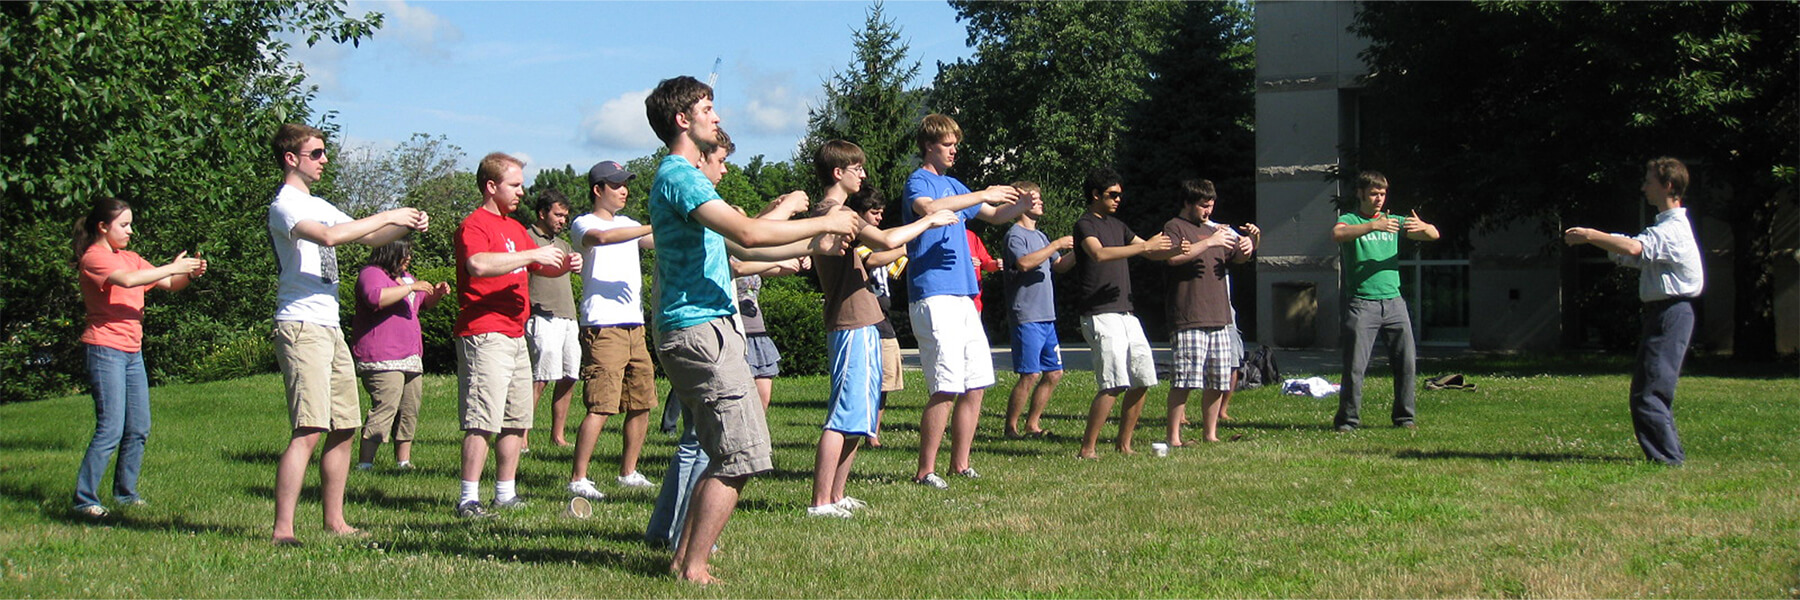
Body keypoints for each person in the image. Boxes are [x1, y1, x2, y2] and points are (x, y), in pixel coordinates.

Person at [643, 76, 858, 584]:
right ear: (683, 120)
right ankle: (693, 569)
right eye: (708, 109)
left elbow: (740, 251)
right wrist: (824, 224)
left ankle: (683, 560)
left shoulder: (681, 178)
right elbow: (748, 231)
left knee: (724, 452)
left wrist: (811, 246)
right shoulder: (680, 175)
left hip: (704, 329)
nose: (716, 117)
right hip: (700, 331)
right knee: (740, 456)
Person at [267, 122, 428, 545]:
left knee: (344, 426)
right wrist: (390, 214)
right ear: (291, 159)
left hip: (329, 326)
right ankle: (283, 530)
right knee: (309, 428)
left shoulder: (318, 203)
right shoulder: (286, 205)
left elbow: (372, 236)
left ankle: (334, 521)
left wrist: (408, 223)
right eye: (316, 153)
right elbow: (329, 236)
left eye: (324, 152)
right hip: (301, 325)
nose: (324, 160)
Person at [808, 139, 959, 517]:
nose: (863, 175)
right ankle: (820, 502)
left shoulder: (836, 212)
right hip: (851, 324)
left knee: (858, 416)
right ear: (838, 173)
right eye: (856, 168)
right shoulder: (834, 212)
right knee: (842, 415)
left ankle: (837, 495)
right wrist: (928, 221)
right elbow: (887, 240)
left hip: (863, 322)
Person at [452, 152, 583, 518]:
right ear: (491, 186)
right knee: (482, 419)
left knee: (516, 418)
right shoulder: (475, 225)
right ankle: (468, 498)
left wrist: (565, 265)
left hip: (514, 333)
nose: (521, 192)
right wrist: (530, 256)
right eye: (514, 185)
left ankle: (505, 493)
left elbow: (540, 266)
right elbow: (478, 264)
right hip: (484, 332)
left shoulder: (514, 229)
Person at [901, 113, 1028, 488]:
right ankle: (925, 471)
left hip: (964, 295)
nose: (954, 150)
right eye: (947, 144)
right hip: (933, 293)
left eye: (956, 144)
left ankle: (961, 464)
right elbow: (928, 208)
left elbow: (995, 215)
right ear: (929, 146)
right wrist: (983, 193)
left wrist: (1020, 204)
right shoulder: (919, 181)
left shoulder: (955, 185)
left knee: (976, 382)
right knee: (946, 383)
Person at [70, 197, 207, 518]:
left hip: (132, 351)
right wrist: (173, 266)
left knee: (138, 427)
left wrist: (190, 273)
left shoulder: (130, 257)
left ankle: (125, 494)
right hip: (105, 349)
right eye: (124, 225)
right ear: (103, 227)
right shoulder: (94, 257)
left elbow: (169, 283)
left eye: (130, 224)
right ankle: (84, 500)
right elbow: (128, 280)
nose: (130, 231)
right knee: (110, 428)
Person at [1563, 157, 1703, 466]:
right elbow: (1632, 253)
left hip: (1671, 313)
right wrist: (1605, 243)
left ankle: (1668, 460)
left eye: (1649, 181)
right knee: (1649, 388)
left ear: (1667, 185)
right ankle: (1668, 456)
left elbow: (1634, 249)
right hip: (1664, 313)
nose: (1643, 187)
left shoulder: (1673, 230)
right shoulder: (1664, 228)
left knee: (1650, 392)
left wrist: (1590, 235)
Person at [1071, 167, 1180, 459]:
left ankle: (1124, 444)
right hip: (1100, 314)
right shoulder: (1085, 224)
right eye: (1113, 194)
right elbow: (1099, 253)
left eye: (1120, 194)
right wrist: (1145, 246)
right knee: (1114, 382)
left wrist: (1176, 249)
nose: (1118, 199)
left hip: (1126, 314)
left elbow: (1149, 251)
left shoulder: (1119, 225)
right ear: (1096, 195)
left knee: (1143, 378)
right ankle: (1087, 449)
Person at [567, 159, 658, 501]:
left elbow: (658, 242)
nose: (624, 191)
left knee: (641, 402)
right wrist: (651, 226)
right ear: (597, 190)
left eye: (625, 184)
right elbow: (603, 238)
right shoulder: (583, 223)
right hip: (603, 327)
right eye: (616, 185)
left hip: (635, 326)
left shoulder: (630, 225)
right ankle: (578, 478)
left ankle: (628, 472)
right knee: (601, 405)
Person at [1330, 171, 1439, 432]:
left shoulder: (1393, 221)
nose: (1379, 199)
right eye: (1373, 194)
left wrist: (1424, 227)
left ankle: (1404, 418)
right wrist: (1372, 226)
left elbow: (1434, 235)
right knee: (1355, 367)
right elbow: (1338, 234)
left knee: (1406, 363)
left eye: (1382, 194)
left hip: (1394, 302)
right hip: (1362, 303)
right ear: (1360, 193)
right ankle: (1347, 421)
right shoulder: (1351, 220)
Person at [1161, 179, 1255, 446]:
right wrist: (1210, 241)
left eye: (1211, 206)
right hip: (1189, 315)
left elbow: (1237, 258)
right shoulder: (1175, 227)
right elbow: (1172, 257)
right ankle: (1173, 437)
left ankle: (1210, 434)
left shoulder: (1216, 229)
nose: (1208, 211)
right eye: (1203, 206)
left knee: (1218, 379)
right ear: (1188, 202)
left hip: (1220, 315)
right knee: (1185, 379)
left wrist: (1249, 246)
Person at [351, 238, 449, 471]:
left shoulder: (406, 278)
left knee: (409, 409)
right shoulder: (371, 273)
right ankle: (365, 463)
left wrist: (437, 293)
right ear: (390, 252)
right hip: (382, 357)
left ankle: (403, 461)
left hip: (410, 356)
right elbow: (375, 298)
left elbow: (422, 304)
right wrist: (410, 288)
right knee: (386, 406)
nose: (409, 257)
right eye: (405, 253)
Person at [999, 181, 1075, 439]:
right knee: (1030, 374)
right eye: (1036, 198)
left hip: (1046, 316)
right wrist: (1056, 244)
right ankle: (1010, 428)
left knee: (1054, 373)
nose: (1041, 202)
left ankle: (1032, 424)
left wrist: (1080, 251)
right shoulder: (1015, 235)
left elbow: (1059, 265)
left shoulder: (1040, 236)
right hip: (1026, 316)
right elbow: (1023, 263)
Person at [847, 188, 909, 448]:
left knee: (886, 379)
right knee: (865, 379)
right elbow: (871, 260)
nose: (880, 218)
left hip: (884, 317)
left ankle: (873, 432)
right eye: (874, 213)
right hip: (864, 316)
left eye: (882, 213)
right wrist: (902, 246)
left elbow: (895, 269)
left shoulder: (881, 243)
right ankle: (859, 431)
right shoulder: (856, 242)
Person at [525, 190, 580, 452]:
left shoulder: (563, 244)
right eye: (558, 215)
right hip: (541, 315)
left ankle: (557, 435)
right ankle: (521, 435)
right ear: (542, 213)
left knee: (569, 376)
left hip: (568, 316)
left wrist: (577, 261)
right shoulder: (527, 239)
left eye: (565, 216)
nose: (562, 221)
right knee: (541, 377)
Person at [966, 228, 1002, 313]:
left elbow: (986, 262)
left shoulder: (971, 236)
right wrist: (964, 262)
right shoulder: (939, 234)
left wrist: (996, 264)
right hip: (949, 300)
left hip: (974, 301)